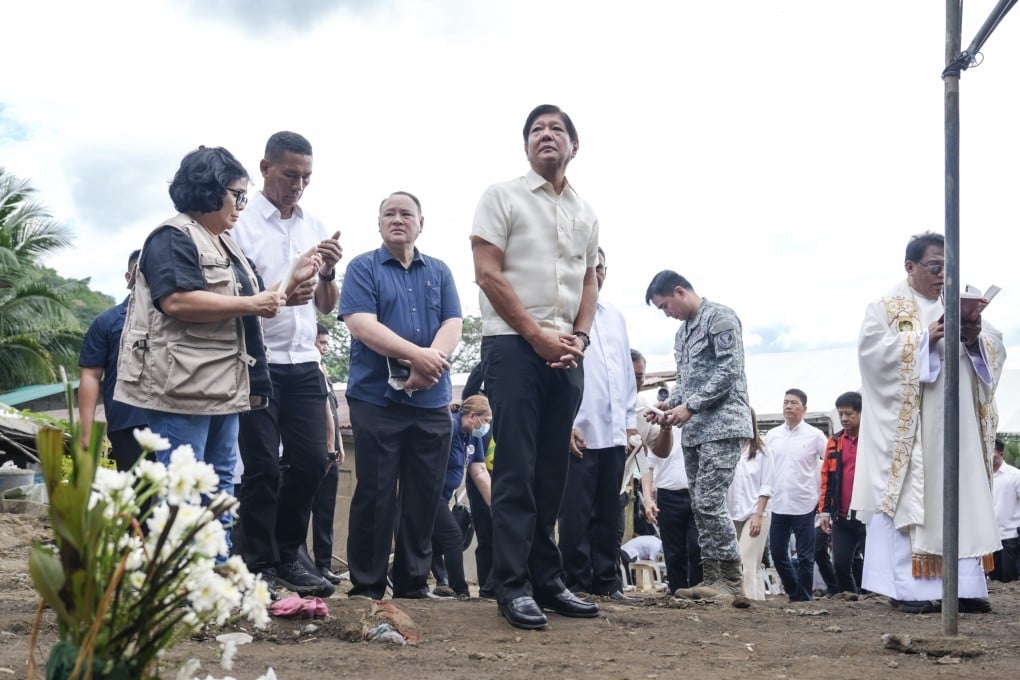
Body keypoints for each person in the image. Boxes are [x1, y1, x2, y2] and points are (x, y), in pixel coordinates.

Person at [114, 146, 293, 550]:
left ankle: (212, 577)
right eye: (238, 195)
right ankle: (177, 589)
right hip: (182, 390)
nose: (242, 206)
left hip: (222, 388)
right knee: (181, 491)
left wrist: (283, 291)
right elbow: (177, 300)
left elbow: (243, 305)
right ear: (208, 190)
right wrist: (252, 303)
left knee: (218, 485)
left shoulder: (224, 244)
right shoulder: (173, 236)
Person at [471, 104, 600, 629]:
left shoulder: (585, 211)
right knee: (517, 468)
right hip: (514, 347)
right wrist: (536, 336)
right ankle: (511, 584)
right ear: (526, 145)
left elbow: (590, 279)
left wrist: (581, 338)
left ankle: (546, 579)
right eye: (536, 130)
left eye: (557, 130)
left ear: (574, 145)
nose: (546, 135)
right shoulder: (501, 196)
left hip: (566, 351)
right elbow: (487, 273)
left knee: (552, 470)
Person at [851, 231, 1005, 614]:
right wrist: (923, 342)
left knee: (960, 493)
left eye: (948, 269)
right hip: (914, 432)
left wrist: (972, 338)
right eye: (935, 268)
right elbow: (871, 356)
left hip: (958, 427)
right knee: (915, 499)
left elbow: (995, 350)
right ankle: (912, 592)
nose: (942, 277)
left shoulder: (953, 303)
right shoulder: (886, 307)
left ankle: (966, 587)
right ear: (910, 267)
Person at [231, 131, 343, 598]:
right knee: (260, 466)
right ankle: (257, 563)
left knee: (314, 460)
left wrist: (329, 273)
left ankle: (287, 552)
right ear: (265, 168)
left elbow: (326, 307)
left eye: (306, 177)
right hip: (258, 358)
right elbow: (234, 295)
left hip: (302, 361)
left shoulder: (313, 223)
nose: (298, 184)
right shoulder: (240, 225)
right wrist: (282, 290)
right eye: (290, 174)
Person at [341, 190, 462, 600]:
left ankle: (413, 583)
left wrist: (431, 366)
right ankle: (368, 584)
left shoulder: (441, 271)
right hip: (377, 400)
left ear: (421, 223)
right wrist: (417, 358)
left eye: (406, 213)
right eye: (388, 213)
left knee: (424, 494)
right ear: (378, 223)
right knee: (375, 492)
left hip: (431, 402)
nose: (397, 219)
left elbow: (453, 322)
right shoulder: (362, 268)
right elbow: (360, 324)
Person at [644, 270, 752, 600]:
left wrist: (690, 406)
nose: (666, 313)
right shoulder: (682, 335)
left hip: (723, 424)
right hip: (694, 431)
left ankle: (731, 580)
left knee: (709, 500)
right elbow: (687, 381)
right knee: (699, 503)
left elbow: (728, 370)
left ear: (680, 292)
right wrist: (667, 405)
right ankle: (712, 577)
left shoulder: (719, 318)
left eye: (665, 306)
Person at [558, 248, 639, 602]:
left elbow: (624, 374)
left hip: (614, 434)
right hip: (577, 432)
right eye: (588, 266)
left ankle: (607, 583)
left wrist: (629, 424)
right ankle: (576, 582)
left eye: (600, 267)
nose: (596, 272)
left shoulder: (616, 317)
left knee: (609, 510)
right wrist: (563, 424)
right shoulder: (562, 314)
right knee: (575, 513)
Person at [78, 250, 149, 471]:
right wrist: (86, 432)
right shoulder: (107, 322)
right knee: (134, 498)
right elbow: (90, 375)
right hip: (127, 422)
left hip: (176, 419)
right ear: (129, 278)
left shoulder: (179, 316)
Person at [764, 388, 827, 602]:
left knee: (805, 556)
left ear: (804, 408)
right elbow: (765, 467)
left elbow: (829, 465)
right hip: (778, 502)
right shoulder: (772, 436)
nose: (788, 406)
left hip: (804, 502)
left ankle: (804, 598)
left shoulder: (815, 436)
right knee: (778, 554)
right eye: (785, 402)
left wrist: (824, 500)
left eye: (793, 403)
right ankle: (794, 592)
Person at [432, 396, 493, 599]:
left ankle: (441, 582)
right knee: (453, 535)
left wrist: (496, 505)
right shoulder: (449, 427)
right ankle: (460, 590)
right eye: (486, 421)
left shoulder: (473, 436)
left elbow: (480, 471)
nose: (487, 426)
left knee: (439, 540)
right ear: (473, 416)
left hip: (445, 497)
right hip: (431, 494)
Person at [641, 425, 702, 595]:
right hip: (667, 495)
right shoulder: (658, 426)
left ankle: (697, 592)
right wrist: (647, 499)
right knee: (673, 551)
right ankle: (677, 591)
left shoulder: (702, 422)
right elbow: (647, 465)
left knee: (696, 545)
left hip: (697, 494)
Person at [818, 391, 866, 594]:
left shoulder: (870, 440)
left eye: (849, 414)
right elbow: (826, 477)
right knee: (840, 564)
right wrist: (825, 510)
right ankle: (851, 600)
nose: (844, 419)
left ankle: (876, 600)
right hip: (842, 514)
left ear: (862, 413)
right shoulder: (835, 441)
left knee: (875, 562)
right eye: (841, 414)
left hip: (867, 513)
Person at [725, 409, 774, 601]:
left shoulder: (763, 451)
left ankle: (747, 601)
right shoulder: (727, 450)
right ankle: (757, 599)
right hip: (731, 512)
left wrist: (758, 515)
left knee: (745, 560)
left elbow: (767, 486)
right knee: (743, 563)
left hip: (755, 513)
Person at [310, 323, 345, 585]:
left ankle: (324, 565)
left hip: (331, 453)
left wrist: (339, 447)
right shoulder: (308, 373)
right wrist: (328, 447)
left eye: (326, 344)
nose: (325, 349)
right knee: (300, 511)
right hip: (314, 451)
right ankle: (300, 564)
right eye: (321, 343)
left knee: (326, 512)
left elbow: (333, 413)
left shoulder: (326, 375)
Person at [991, 437, 1020, 582]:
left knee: (1009, 578)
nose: (990, 454)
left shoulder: (1014, 475)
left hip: (1009, 537)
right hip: (989, 538)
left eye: (993, 451)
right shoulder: (984, 475)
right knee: (992, 580)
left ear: (1001, 454)